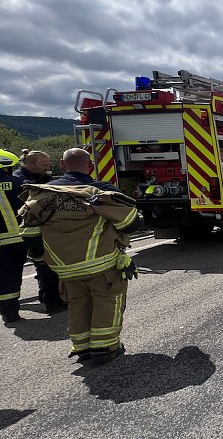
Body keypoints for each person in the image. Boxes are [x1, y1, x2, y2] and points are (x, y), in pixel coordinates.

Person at [17, 148, 141, 365]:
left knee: (77, 302)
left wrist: (41, 259)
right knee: (107, 300)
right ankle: (104, 348)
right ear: (90, 166)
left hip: (64, 268)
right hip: (101, 264)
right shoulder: (100, 193)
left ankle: (82, 347)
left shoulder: (40, 195)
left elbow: (29, 234)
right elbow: (130, 223)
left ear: (62, 166)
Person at [11, 149, 66, 314]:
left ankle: (48, 297)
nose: (48, 168)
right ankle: (53, 303)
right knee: (45, 267)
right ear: (30, 164)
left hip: (38, 231)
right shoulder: (21, 181)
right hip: (28, 233)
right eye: (44, 165)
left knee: (45, 267)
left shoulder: (38, 177)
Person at [0, 150, 27, 325]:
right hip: (17, 239)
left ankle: (6, 310)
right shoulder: (18, 183)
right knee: (11, 275)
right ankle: (10, 312)